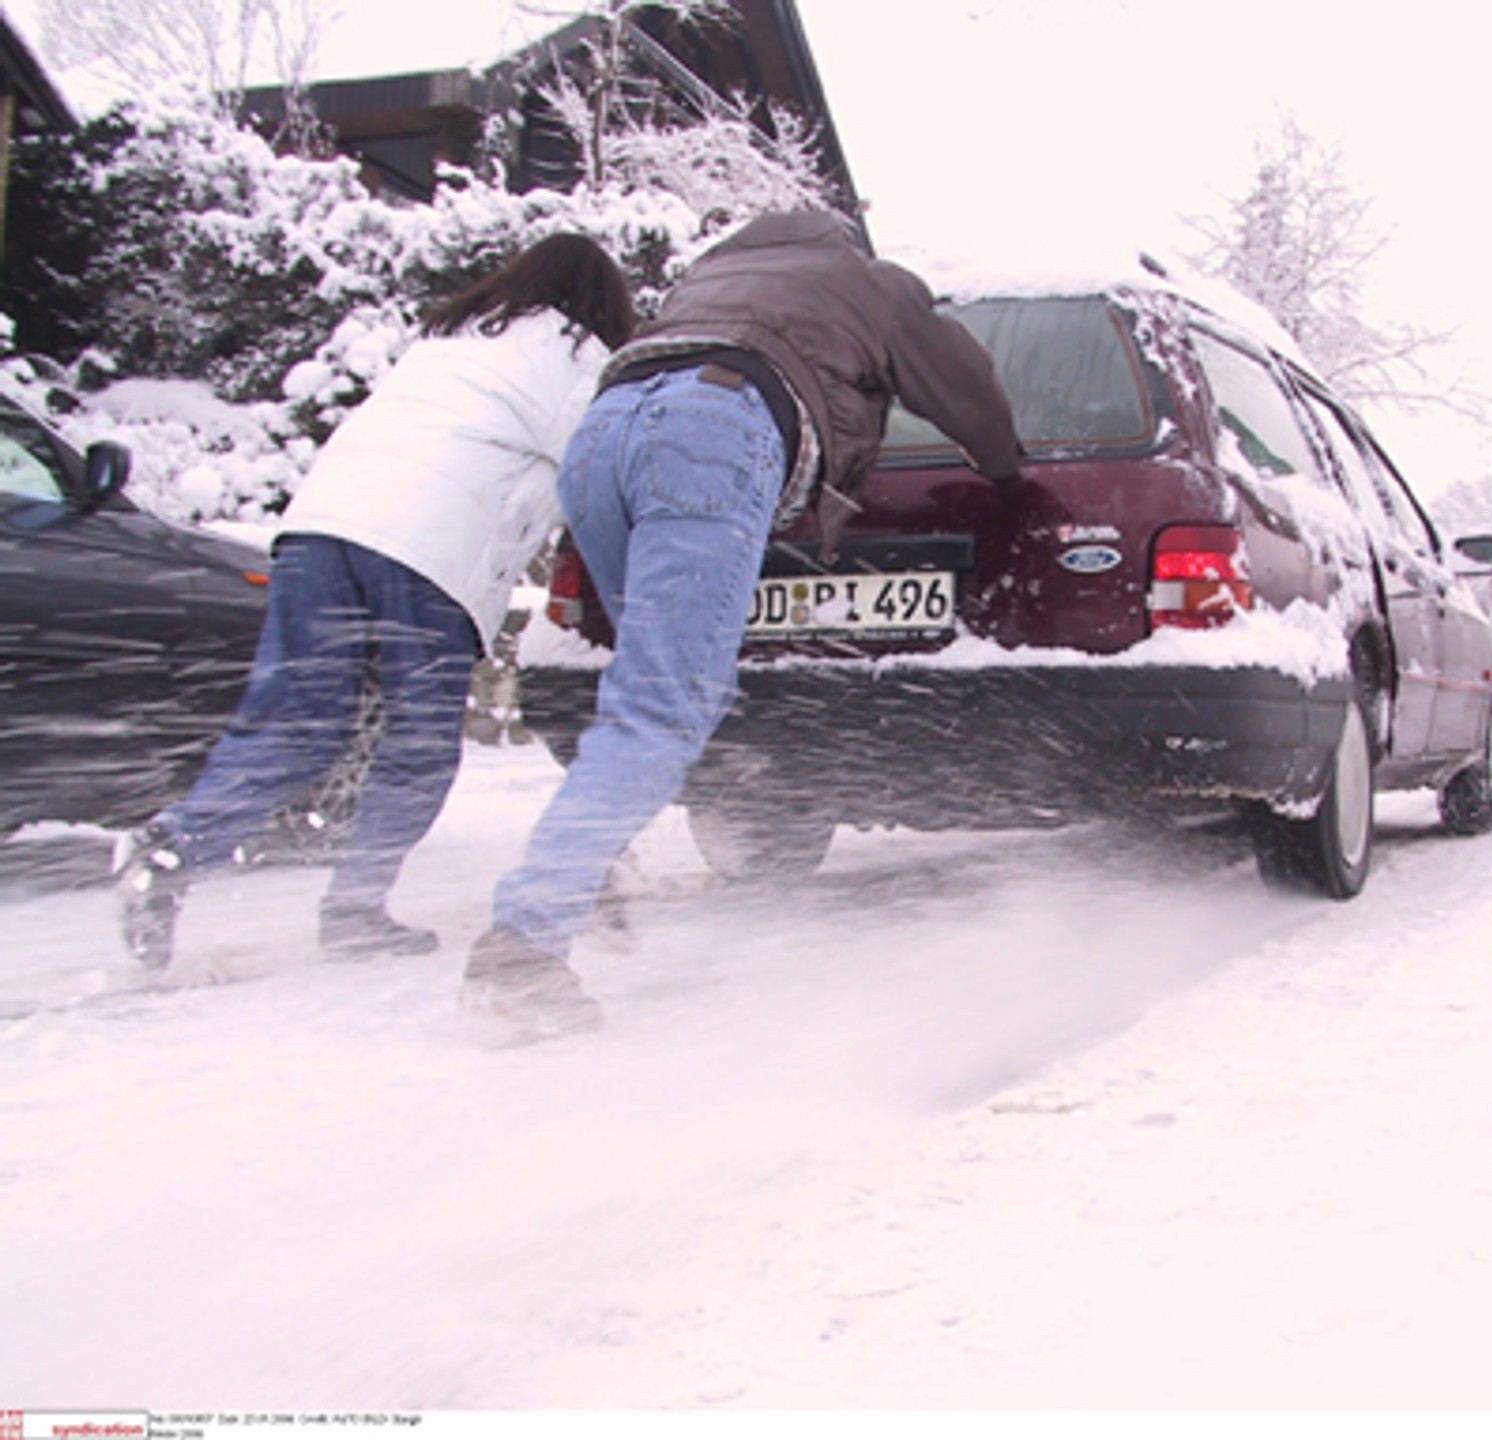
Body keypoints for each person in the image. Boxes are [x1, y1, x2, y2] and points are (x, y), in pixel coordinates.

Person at [461, 209, 1024, 1038]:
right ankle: (526, 943)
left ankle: (583, 871)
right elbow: (964, 385)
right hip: (712, 432)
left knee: (640, 696)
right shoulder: (867, 282)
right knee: (662, 709)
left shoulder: (707, 281)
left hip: (603, 436)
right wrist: (1007, 465)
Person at [116, 233, 635, 969]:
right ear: (603, 304)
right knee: (417, 748)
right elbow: (596, 474)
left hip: (319, 529)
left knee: (297, 721)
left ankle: (174, 846)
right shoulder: (575, 355)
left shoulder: (448, 340)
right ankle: (356, 909)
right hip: (425, 553)